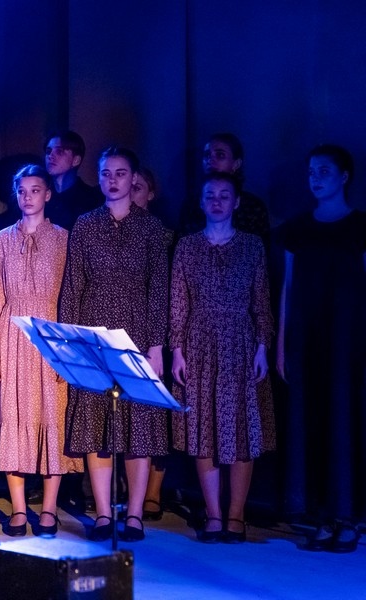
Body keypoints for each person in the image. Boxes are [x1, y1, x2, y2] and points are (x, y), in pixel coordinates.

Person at [60, 146, 169, 542]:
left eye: (120, 173)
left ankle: (135, 514)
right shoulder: (85, 224)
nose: (112, 180)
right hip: (94, 333)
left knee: (138, 424)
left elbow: (159, 289)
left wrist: (156, 346)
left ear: (133, 178)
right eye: (106, 173)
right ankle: (104, 513)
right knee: (97, 423)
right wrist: (71, 343)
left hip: (137, 332)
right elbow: (73, 285)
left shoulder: (152, 228)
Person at [170, 172, 276, 544]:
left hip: (240, 344)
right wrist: (177, 350)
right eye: (210, 195)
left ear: (236, 202)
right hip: (199, 342)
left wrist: (262, 347)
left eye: (224, 195)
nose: (217, 201)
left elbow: (262, 301)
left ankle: (236, 514)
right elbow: (178, 301)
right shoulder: (187, 246)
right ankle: (214, 514)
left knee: (241, 428)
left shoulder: (252, 246)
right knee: (204, 428)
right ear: (201, 202)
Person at [0, 164, 82, 537]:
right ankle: (20, 510)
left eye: (35, 190)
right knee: (12, 418)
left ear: (48, 194)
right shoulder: (0, 240)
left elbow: (71, 298)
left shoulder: (64, 239)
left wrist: (67, 353)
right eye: (22, 191)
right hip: (11, 336)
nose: (27, 197)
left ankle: (49, 509)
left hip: (50, 339)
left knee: (51, 420)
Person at [276, 144, 366, 553]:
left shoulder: (359, 226)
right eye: (311, 171)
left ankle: (347, 516)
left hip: (348, 341)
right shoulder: (297, 228)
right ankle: (322, 515)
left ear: (344, 176)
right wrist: (282, 345)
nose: (315, 178)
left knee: (345, 422)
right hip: (307, 338)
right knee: (311, 421)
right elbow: (288, 288)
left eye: (324, 171)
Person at [132, 166, 174, 522]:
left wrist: (159, 342)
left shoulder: (162, 233)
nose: (131, 192)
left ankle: (153, 492)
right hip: (123, 325)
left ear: (151, 193)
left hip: (157, 331)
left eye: (138, 187)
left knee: (152, 417)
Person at [181, 133, 270, 243]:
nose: (210, 160)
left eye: (220, 155)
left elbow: (260, 249)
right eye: (207, 155)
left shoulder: (253, 207)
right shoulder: (191, 205)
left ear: (236, 164)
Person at [44, 130, 103, 231]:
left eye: (59, 152)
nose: (51, 156)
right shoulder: (40, 196)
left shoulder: (92, 199)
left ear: (76, 160)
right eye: (48, 151)